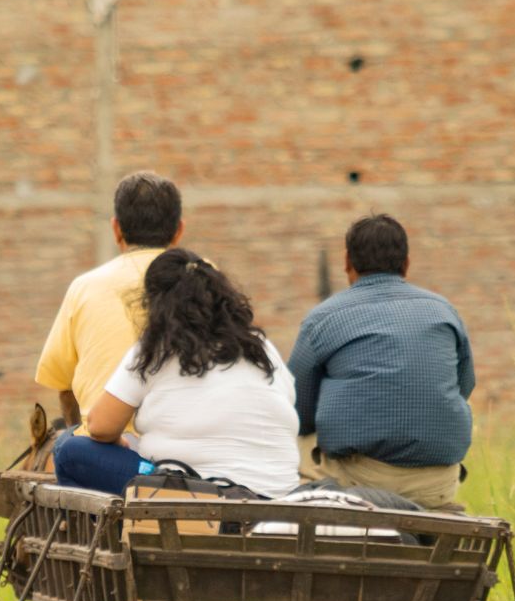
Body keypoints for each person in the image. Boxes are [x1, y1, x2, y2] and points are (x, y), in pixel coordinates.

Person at [54, 248, 301, 497]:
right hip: (278, 492)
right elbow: (288, 404)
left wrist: (116, 441)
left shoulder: (157, 347)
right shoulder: (260, 346)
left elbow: (99, 426)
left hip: (192, 491)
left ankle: (119, 532)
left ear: (155, 303)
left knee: (68, 448)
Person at [287, 214, 474, 511]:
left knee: (301, 437)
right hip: (437, 483)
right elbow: (464, 387)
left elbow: (297, 409)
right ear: (407, 263)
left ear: (347, 262)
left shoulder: (324, 318)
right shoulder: (444, 311)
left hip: (361, 484)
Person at [36, 171, 184, 437]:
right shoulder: (207, 282)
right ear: (179, 231)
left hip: (110, 448)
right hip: (191, 451)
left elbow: (63, 383)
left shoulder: (85, 287)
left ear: (116, 229)